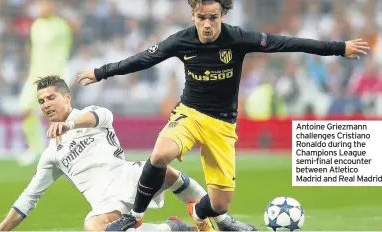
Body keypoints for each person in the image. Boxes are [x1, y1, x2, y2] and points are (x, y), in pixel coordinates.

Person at [77, 0, 370, 231]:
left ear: (222, 16)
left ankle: (200, 213)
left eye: (213, 17)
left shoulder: (238, 39)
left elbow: (287, 42)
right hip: (189, 114)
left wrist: (338, 48)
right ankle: (134, 216)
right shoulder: (180, 41)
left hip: (222, 126)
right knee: (159, 154)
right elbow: (142, 59)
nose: (207, 24)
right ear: (193, 15)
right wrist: (101, 72)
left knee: (218, 204)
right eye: (201, 17)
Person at [0, 75, 252, 231]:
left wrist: (70, 124)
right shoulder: (51, 154)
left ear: (68, 97)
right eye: (41, 101)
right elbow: (28, 199)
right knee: (92, 227)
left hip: (127, 176)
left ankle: (223, 221)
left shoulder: (93, 114)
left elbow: (101, 116)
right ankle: (174, 228)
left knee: (163, 170)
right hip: (105, 203)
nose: (46, 104)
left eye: (51, 97)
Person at [18, 0, 72, 166]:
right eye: (40, 5)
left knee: (53, 116)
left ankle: (59, 152)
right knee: (25, 110)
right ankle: (35, 149)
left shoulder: (61, 26)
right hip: (34, 77)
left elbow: (62, 51)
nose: (40, 8)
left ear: (52, 6)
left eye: (45, 5)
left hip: (53, 77)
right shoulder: (36, 26)